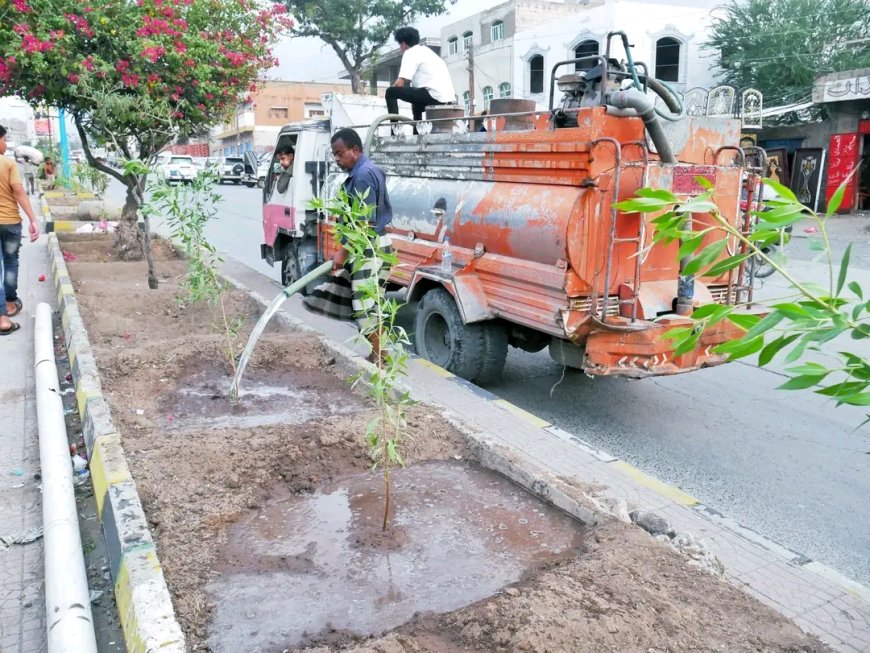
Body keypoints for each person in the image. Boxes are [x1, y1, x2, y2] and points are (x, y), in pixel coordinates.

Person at [303, 128, 393, 361]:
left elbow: (363, 224)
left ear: (355, 150)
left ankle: (380, 357)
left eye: (340, 153)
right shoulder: (368, 170)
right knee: (371, 304)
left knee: (365, 306)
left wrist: (342, 253)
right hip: (373, 244)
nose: (336, 159)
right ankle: (379, 355)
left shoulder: (362, 176)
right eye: (334, 154)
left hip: (368, 247)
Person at [0, 125, 40, 335]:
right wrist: (33, 219)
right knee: (10, 262)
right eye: (4, 139)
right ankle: (7, 308)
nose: (5, 144)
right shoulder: (7, 163)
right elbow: (18, 191)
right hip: (9, 223)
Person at [386, 27, 456, 123]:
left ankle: (394, 129)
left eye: (400, 45)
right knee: (416, 100)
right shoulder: (427, 51)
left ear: (403, 44)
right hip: (447, 98)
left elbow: (399, 84)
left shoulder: (410, 52)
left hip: (434, 96)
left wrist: (392, 91)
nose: (400, 49)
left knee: (390, 92)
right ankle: (417, 131)